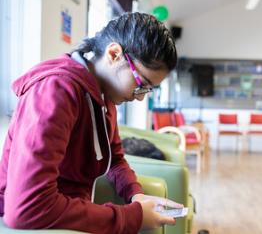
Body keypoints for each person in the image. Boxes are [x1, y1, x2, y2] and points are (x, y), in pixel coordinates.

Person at [0, 12, 182, 234]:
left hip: (68, 216)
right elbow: (27, 207)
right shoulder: (56, 90)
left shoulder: (105, 96)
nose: (141, 97)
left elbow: (114, 159)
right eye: (140, 84)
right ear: (114, 54)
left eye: (148, 89)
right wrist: (130, 217)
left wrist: (136, 194)